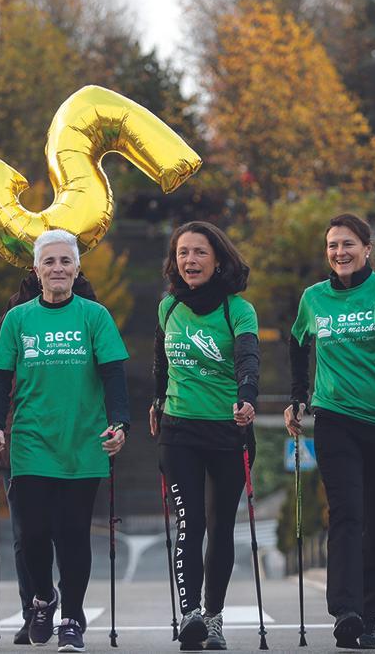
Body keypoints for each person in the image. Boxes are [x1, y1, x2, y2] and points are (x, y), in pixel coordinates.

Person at [0, 229, 129, 653]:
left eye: (65, 261)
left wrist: (120, 423)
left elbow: (114, 375)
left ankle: (72, 618)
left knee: (72, 533)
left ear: (77, 268)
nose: (58, 268)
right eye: (49, 262)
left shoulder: (94, 316)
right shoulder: (18, 319)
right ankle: (43, 598)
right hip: (31, 439)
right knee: (32, 532)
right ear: (36, 270)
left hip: (83, 440)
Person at [284, 213, 375, 650]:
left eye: (347, 244)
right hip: (335, 418)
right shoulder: (313, 298)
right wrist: (299, 395)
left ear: (366, 248)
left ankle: (370, 614)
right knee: (346, 514)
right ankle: (345, 610)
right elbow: (297, 344)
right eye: (332, 246)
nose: (339, 253)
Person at [152, 221, 259, 651]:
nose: (190, 261)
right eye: (183, 253)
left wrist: (248, 397)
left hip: (228, 430)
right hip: (179, 431)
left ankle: (214, 616)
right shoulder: (168, 308)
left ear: (218, 260)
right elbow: (160, 360)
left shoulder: (238, 309)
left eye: (199, 253)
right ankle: (190, 614)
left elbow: (249, 357)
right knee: (188, 523)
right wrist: (157, 400)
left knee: (220, 526)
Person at [0, 270, 100, 646]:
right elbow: (4, 376)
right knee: (29, 532)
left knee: (69, 530)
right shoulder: (17, 310)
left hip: (73, 437)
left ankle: (70, 606)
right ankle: (34, 608)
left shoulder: (87, 303)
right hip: (24, 436)